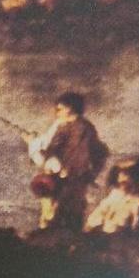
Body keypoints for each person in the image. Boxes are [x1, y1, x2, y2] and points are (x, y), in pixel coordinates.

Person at [25, 91, 108, 230]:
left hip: (62, 181)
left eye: (59, 109)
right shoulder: (87, 127)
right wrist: (91, 174)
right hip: (76, 180)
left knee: (53, 218)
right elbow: (101, 152)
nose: (56, 113)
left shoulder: (67, 127)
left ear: (69, 108)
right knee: (71, 217)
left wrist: (32, 142)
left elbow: (49, 152)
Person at [84, 155, 139, 236]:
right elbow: (97, 215)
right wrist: (91, 226)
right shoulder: (114, 194)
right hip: (102, 237)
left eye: (127, 174)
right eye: (120, 173)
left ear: (136, 177)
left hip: (121, 240)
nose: (121, 178)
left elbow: (138, 231)